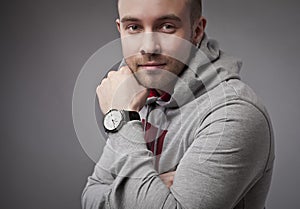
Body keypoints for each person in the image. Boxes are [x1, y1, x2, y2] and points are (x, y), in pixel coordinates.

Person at [82, 0, 274, 208]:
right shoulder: (135, 95)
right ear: (121, 30)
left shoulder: (235, 113)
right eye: (134, 28)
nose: (148, 47)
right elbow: (91, 196)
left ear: (197, 30)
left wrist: (122, 119)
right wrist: (156, 193)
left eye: (166, 27)